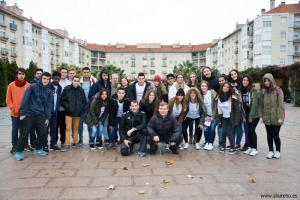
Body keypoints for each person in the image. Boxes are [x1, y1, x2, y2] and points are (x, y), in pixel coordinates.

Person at [14, 72, 53, 161]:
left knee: (43, 132)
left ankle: (38, 148)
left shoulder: (49, 91)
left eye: (47, 79)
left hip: (41, 115)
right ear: (40, 78)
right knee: (24, 134)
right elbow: (24, 100)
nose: (46, 81)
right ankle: (19, 151)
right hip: (29, 114)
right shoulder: (32, 87)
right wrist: (23, 113)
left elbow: (48, 105)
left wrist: (47, 117)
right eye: (44, 78)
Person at [259, 73, 284, 159]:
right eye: (265, 81)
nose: (267, 82)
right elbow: (261, 105)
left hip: (276, 117)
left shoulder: (278, 91)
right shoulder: (263, 91)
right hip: (267, 117)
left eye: (268, 80)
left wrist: (280, 117)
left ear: (271, 80)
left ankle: (278, 151)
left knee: (275, 135)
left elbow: (281, 105)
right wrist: (261, 116)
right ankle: (270, 151)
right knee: (269, 135)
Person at [6, 68, 31, 154]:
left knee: (24, 130)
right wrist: (14, 109)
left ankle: (25, 144)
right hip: (15, 113)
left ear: (25, 75)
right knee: (15, 129)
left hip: (25, 113)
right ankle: (15, 145)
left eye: (23, 74)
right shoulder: (11, 85)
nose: (21, 75)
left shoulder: (28, 86)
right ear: (16, 75)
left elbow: (31, 100)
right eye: (20, 73)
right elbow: (8, 99)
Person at [60, 75, 87, 151]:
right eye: (75, 81)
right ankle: (67, 144)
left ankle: (75, 142)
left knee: (76, 128)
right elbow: (62, 100)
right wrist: (67, 107)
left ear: (79, 82)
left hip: (78, 113)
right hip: (68, 113)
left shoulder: (81, 90)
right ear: (72, 81)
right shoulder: (66, 89)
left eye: (77, 81)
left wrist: (81, 108)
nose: (76, 82)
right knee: (68, 128)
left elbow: (84, 101)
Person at [215, 82, 240, 154]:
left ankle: (233, 148)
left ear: (229, 89)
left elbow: (237, 110)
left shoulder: (233, 96)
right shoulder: (219, 96)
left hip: (230, 117)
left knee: (228, 132)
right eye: (224, 86)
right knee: (223, 133)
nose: (225, 88)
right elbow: (217, 109)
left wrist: (236, 121)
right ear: (222, 87)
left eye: (227, 87)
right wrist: (219, 119)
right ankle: (223, 146)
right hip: (223, 117)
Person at [88, 69, 111, 144]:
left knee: (104, 124)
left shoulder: (109, 84)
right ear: (101, 76)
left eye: (106, 75)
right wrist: (98, 101)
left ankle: (103, 139)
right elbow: (91, 95)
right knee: (95, 126)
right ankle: (93, 141)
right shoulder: (96, 84)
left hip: (106, 108)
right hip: (96, 109)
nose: (105, 77)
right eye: (104, 75)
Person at [241, 75, 259, 156]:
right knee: (248, 131)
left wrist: (251, 117)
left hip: (254, 114)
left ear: (250, 81)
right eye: (244, 80)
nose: (245, 82)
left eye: (247, 80)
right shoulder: (242, 90)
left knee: (251, 131)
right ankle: (250, 148)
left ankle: (254, 148)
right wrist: (244, 116)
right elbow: (242, 104)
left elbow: (254, 105)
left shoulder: (253, 90)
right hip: (247, 113)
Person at [43, 71, 62, 152]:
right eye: (55, 78)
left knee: (54, 129)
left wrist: (57, 109)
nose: (56, 80)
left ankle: (53, 144)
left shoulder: (60, 87)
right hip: (47, 112)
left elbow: (58, 99)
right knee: (45, 129)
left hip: (55, 112)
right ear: (52, 78)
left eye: (58, 79)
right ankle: (44, 145)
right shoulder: (48, 86)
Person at [78, 67, 96, 146]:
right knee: (80, 124)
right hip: (80, 106)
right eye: (84, 72)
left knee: (90, 123)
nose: (86, 73)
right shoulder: (79, 81)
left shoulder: (93, 81)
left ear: (89, 72)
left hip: (90, 106)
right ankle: (80, 139)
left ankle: (90, 139)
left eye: (87, 72)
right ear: (82, 72)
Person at [227, 69, 243, 149]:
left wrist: (237, 87)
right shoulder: (230, 84)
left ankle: (238, 143)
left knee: (238, 126)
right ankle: (232, 143)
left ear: (237, 74)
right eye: (232, 75)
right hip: (232, 108)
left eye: (234, 74)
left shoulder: (242, 83)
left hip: (240, 108)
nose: (233, 75)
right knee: (232, 126)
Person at [56, 67, 71, 149]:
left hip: (65, 108)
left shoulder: (69, 83)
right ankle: (54, 141)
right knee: (55, 126)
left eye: (65, 72)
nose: (64, 74)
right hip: (56, 108)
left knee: (63, 126)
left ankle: (63, 141)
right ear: (60, 73)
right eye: (62, 72)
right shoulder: (55, 81)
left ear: (67, 74)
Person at [200, 81, 217, 151]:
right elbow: (202, 108)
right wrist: (205, 117)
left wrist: (213, 116)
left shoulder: (212, 93)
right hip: (207, 116)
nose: (204, 87)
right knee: (206, 129)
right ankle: (207, 142)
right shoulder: (201, 95)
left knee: (212, 128)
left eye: (205, 86)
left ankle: (211, 143)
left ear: (208, 87)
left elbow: (216, 105)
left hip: (214, 115)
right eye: (202, 86)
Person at [29, 68, 44, 148]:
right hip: (33, 109)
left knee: (39, 127)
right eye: (37, 73)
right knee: (32, 128)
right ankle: (33, 141)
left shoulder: (44, 84)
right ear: (35, 75)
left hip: (41, 110)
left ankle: (39, 142)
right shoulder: (32, 84)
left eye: (40, 73)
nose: (39, 75)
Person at [186, 72, 200, 144]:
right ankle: (190, 136)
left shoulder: (199, 85)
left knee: (197, 124)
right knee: (190, 124)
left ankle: (195, 137)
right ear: (189, 78)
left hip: (197, 105)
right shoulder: (187, 85)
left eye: (193, 77)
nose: (192, 78)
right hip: (190, 105)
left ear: (195, 77)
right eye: (191, 77)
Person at [216, 74, 228, 146]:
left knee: (228, 129)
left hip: (228, 113)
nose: (221, 82)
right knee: (219, 126)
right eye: (219, 81)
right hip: (220, 112)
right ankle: (221, 141)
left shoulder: (230, 89)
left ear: (226, 80)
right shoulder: (219, 90)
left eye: (222, 80)